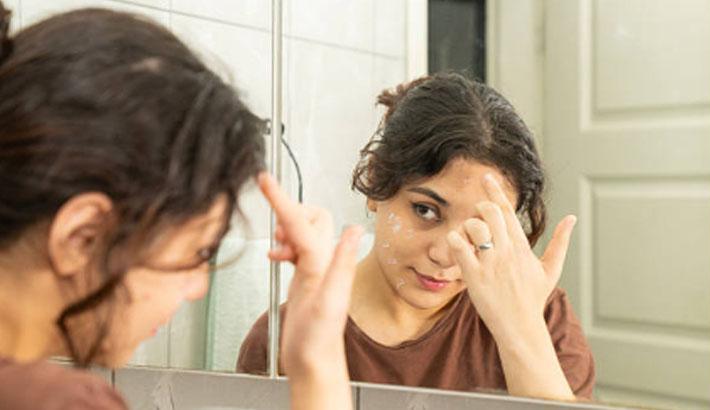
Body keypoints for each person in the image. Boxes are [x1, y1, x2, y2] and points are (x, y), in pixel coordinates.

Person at [0, 3, 360, 409]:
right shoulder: (59, 402)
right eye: (197, 253)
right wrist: (318, 364)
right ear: (83, 236)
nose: (198, 288)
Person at [238, 73, 595, 401]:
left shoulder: (541, 315)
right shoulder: (293, 334)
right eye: (425, 210)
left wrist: (520, 331)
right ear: (376, 181)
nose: (445, 255)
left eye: (478, 227)